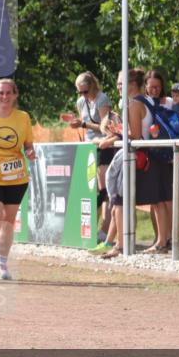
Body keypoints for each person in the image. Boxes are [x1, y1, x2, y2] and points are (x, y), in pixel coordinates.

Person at [0, 78, 36, 280]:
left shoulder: (23, 117)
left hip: (16, 176)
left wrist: (30, 152)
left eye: (8, 93)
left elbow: (27, 144)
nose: (4, 96)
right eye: (0, 93)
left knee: (9, 220)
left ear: (15, 95)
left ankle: (2, 264)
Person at [102, 68, 155, 259]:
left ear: (131, 84)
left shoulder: (134, 104)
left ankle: (121, 245)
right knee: (121, 201)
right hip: (139, 156)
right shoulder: (144, 101)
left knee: (119, 200)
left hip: (133, 156)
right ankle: (120, 243)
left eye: (121, 83)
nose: (118, 87)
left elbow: (134, 134)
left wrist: (114, 133)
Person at [69, 71, 114, 245]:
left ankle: (105, 230)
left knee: (104, 190)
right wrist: (77, 123)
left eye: (85, 91)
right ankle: (92, 229)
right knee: (93, 189)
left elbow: (106, 127)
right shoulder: (81, 102)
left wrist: (83, 124)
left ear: (93, 86)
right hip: (89, 146)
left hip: (103, 144)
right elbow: (83, 123)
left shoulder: (102, 99)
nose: (82, 95)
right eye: (79, 92)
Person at [142, 70, 177, 253]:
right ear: (145, 86)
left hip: (167, 156)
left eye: (158, 86)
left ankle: (169, 238)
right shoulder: (142, 103)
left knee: (167, 199)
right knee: (154, 200)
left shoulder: (169, 102)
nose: (155, 90)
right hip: (150, 156)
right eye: (151, 87)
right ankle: (159, 238)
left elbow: (177, 126)